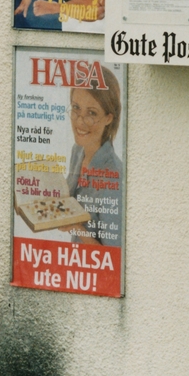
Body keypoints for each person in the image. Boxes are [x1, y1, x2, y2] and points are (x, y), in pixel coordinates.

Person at [65, 67, 122, 248]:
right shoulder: (78, 151)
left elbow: (113, 258)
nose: (80, 121)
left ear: (108, 118)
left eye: (91, 113)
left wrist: (76, 226)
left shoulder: (114, 175)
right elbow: (70, 198)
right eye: (76, 108)